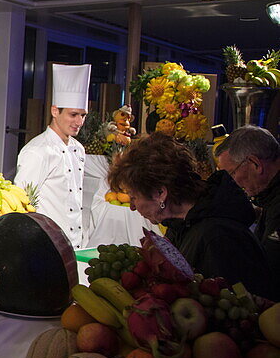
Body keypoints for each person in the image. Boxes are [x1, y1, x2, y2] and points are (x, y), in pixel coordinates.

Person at [108, 133, 276, 299]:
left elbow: (237, 313)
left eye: (134, 197)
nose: (131, 207)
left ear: (160, 193)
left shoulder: (218, 237)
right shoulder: (183, 226)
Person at [14, 64, 90, 249]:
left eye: (83, 115)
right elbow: (21, 202)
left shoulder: (78, 149)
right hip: (46, 243)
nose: (79, 122)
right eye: (73, 114)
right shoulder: (37, 151)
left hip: (76, 243)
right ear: (55, 111)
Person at [215, 125, 280, 269]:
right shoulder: (269, 197)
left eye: (232, 174)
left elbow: (271, 268)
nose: (232, 183)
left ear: (255, 164)